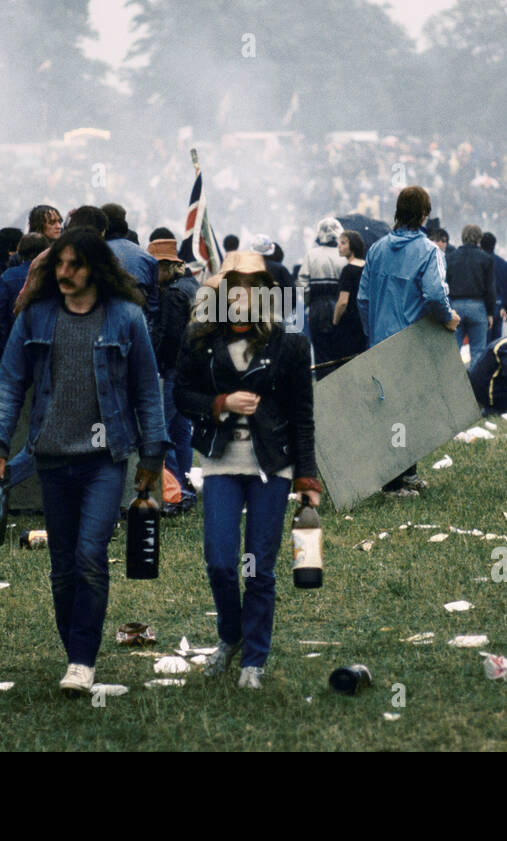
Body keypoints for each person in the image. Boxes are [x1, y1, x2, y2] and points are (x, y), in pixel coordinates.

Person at [0, 228, 167, 697]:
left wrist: (153, 454)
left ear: (95, 269)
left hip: (105, 460)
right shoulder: (35, 317)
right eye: (58, 264)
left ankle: (83, 660)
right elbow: (8, 383)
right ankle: (74, 654)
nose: (64, 273)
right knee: (62, 566)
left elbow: (147, 388)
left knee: (88, 556)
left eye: (74, 265)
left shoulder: (126, 316)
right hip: (52, 459)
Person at [174, 250, 320, 690]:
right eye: (234, 287)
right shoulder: (200, 339)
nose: (242, 296)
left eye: (252, 288)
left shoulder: (290, 343)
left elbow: (302, 414)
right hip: (219, 463)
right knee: (220, 562)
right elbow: (181, 394)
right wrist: (219, 404)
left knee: (258, 566)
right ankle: (230, 635)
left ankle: (253, 658)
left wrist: (307, 478)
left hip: (270, 466)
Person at [357, 186, 459, 498]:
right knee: (411, 408)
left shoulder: (375, 250)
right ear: (425, 213)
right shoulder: (430, 251)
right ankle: (393, 482)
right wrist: (448, 318)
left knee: (390, 408)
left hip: (379, 340)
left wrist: (372, 331)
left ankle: (407, 472)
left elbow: (363, 299)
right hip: (412, 342)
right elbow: (434, 294)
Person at [149, 236, 200, 513]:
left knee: (164, 431)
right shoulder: (193, 285)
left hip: (173, 370)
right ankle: (185, 484)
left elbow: (169, 336)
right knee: (182, 431)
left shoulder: (171, 294)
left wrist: (155, 362)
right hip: (193, 370)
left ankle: (175, 491)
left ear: (167, 266)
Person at [0, 232, 49, 366]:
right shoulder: (53, 275)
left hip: (14, 349)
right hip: (45, 349)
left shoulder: (8, 276)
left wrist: (5, 346)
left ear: (20, 251)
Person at [102, 203, 159, 335]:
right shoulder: (148, 258)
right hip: (138, 327)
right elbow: (153, 306)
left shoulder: (96, 253)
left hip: (105, 328)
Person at [298, 217, 348, 368]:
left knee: (321, 356)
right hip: (341, 308)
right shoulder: (345, 256)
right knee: (342, 355)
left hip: (317, 309)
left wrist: (308, 305)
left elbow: (302, 285)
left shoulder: (311, 255)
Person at [445, 224, 495, 371]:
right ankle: (475, 389)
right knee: (478, 352)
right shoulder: (486, 258)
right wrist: (491, 312)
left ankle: (450, 386)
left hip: (456, 306)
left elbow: (445, 285)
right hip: (477, 305)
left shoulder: (450, 257)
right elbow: (490, 288)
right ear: (479, 239)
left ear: (462, 237)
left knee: (453, 351)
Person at [326, 230, 368, 378]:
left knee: (344, 366)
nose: (339, 246)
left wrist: (335, 322)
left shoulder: (348, 270)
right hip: (364, 320)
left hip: (348, 323)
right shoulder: (367, 268)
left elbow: (343, 302)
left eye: (343, 243)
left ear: (353, 246)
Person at [481, 231, 506, 344]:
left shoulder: (479, 261)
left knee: (484, 341)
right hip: (499, 304)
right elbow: (506, 285)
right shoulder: (502, 263)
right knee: (496, 342)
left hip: (483, 305)